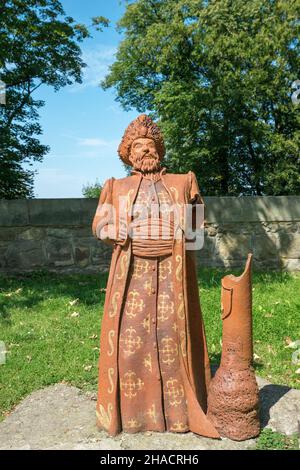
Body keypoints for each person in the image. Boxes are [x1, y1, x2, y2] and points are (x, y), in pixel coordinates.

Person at [92, 114, 219, 438]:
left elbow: (197, 233)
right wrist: (112, 230)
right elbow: (99, 224)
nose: (145, 151)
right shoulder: (115, 187)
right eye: (138, 147)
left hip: (171, 273)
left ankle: (178, 416)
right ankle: (133, 416)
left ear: (158, 150)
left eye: (150, 146)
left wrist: (184, 229)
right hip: (131, 275)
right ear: (128, 153)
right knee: (129, 340)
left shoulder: (182, 182)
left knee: (170, 335)